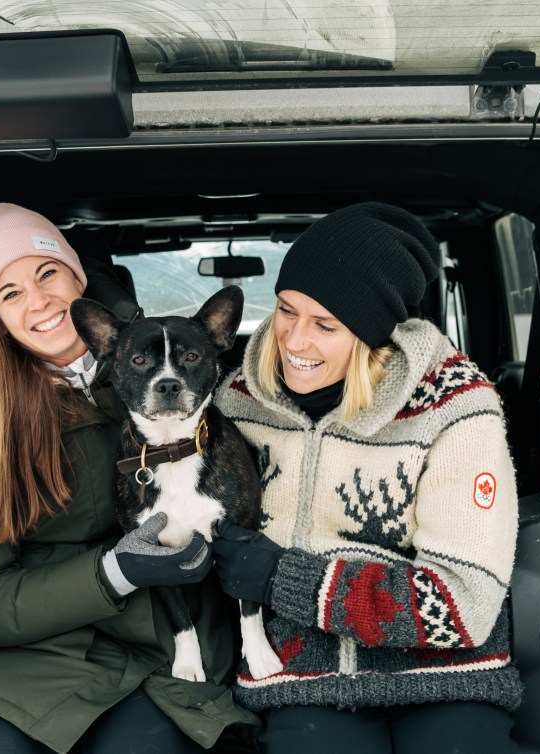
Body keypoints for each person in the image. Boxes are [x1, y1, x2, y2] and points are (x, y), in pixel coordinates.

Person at [0, 202, 259, 754]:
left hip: (168, 644)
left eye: (46, 273)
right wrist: (112, 572)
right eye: (9, 293)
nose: (38, 302)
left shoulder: (166, 362)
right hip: (38, 655)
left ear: (77, 278)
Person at [211, 202, 521, 753]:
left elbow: (464, 604)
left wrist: (286, 578)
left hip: (444, 677)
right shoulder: (236, 403)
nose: (294, 340)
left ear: (372, 335)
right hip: (298, 679)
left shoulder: (453, 405)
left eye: (325, 324)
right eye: (286, 310)